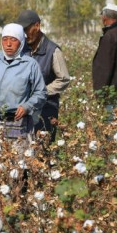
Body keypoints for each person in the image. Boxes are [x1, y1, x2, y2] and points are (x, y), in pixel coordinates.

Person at [0, 23, 47, 152]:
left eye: (13, 40)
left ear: (21, 42)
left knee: (18, 165)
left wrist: (27, 106)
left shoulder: (30, 64)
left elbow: (41, 92)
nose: (8, 44)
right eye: (5, 39)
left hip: (18, 123)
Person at [16, 9, 70, 142]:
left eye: (27, 29)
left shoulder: (53, 50)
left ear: (37, 26)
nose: (25, 34)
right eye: (22, 31)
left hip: (46, 109)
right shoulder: (21, 50)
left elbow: (63, 79)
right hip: (23, 110)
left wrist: (42, 93)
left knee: (43, 151)